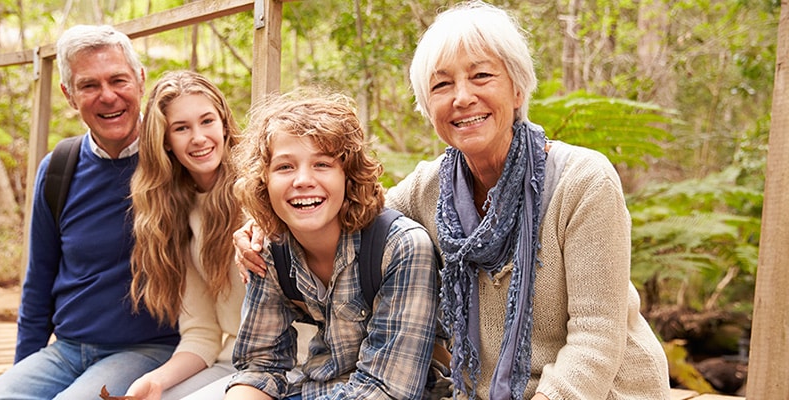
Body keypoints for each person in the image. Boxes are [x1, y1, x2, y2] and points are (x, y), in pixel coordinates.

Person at [234, 2, 672, 399]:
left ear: (518, 90)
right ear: (429, 107)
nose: (463, 97)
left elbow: (595, 339)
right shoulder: (429, 189)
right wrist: (261, 225)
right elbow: (345, 208)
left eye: (481, 76)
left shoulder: (582, 180)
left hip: (604, 391)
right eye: (442, 84)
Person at [0, 25, 180, 399]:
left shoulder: (175, 160)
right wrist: (23, 367)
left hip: (148, 349)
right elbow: (38, 282)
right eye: (89, 85)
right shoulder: (58, 168)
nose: (107, 96)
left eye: (118, 80)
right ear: (69, 95)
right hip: (67, 349)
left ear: (140, 80)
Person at [224, 90, 441, 400]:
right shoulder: (269, 250)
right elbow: (260, 366)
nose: (302, 180)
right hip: (315, 389)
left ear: (348, 176)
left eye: (322, 164)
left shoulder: (401, 247)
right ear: (265, 182)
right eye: (285, 167)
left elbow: (385, 389)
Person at [122, 70, 245, 400]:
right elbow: (203, 331)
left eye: (207, 121)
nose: (199, 138)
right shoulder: (175, 213)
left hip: (289, 364)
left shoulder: (260, 193)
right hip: (233, 361)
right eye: (181, 128)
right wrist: (158, 380)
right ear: (165, 141)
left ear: (224, 123)